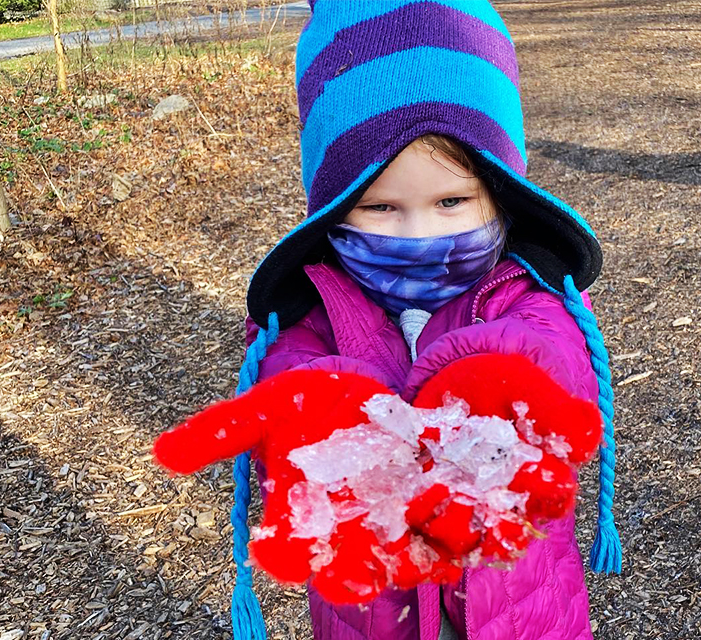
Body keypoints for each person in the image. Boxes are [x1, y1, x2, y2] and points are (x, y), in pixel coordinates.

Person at [232, 2, 622, 639]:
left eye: (451, 201)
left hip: (517, 605)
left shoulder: (528, 291)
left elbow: (563, 373)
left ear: (501, 193)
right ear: (332, 212)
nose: (421, 233)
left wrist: (502, 374)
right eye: (380, 206)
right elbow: (284, 409)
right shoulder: (314, 306)